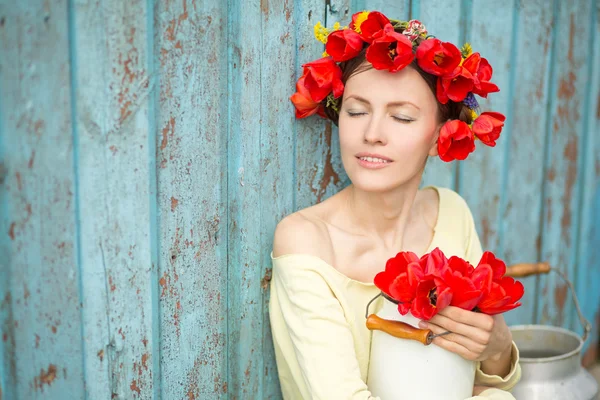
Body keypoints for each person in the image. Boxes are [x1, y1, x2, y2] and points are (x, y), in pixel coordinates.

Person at [269, 11, 521, 400]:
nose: (371, 134)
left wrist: (499, 346)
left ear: (440, 133)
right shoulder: (307, 242)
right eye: (356, 111)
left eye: (401, 117)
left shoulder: (450, 214)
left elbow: (477, 383)